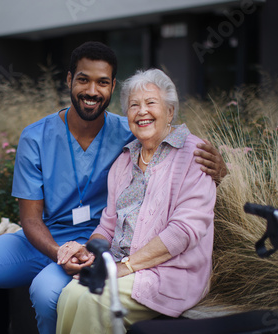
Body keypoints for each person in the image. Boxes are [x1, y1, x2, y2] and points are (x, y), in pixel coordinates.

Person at [0, 42, 225, 334]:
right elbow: (30, 218)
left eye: (102, 82)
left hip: (97, 244)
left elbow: (170, 148)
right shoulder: (36, 137)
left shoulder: (129, 130)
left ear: (112, 86)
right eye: (83, 80)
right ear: (69, 81)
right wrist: (59, 250)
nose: (92, 91)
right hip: (45, 240)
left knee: (47, 291)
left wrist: (220, 168)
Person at [56, 68, 216, 334]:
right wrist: (90, 252)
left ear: (170, 112)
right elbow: (107, 226)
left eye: (151, 103)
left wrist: (124, 267)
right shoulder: (124, 161)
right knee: (70, 295)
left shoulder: (194, 155)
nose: (142, 111)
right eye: (134, 105)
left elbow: (184, 231)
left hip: (169, 273)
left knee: (93, 302)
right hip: (120, 267)